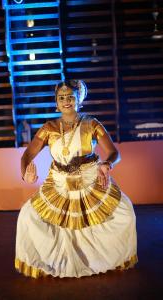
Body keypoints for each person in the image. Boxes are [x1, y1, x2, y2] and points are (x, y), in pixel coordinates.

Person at [15, 79, 138, 279]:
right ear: (56, 102)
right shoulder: (49, 127)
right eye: (61, 98)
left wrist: (108, 164)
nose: (66, 101)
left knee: (125, 213)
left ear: (79, 99)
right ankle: (55, 262)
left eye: (70, 97)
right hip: (59, 182)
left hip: (90, 179)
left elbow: (114, 153)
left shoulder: (91, 123)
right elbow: (27, 155)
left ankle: (103, 259)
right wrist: (25, 173)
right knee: (28, 216)